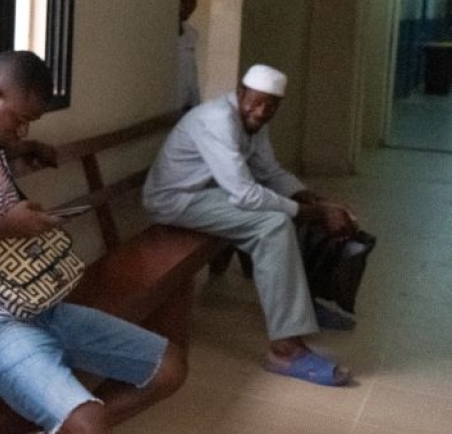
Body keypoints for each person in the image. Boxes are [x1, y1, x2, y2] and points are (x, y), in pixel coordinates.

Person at [0, 51, 186, 434]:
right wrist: (4, 228)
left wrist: (23, 149)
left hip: (38, 304)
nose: (22, 131)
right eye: (20, 120)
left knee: (168, 367)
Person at [143, 64, 360, 387]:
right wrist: (313, 214)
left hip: (209, 193)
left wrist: (319, 202)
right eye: (255, 102)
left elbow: (270, 172)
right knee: (274, 224)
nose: (260, 112)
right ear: (240, 93)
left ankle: (301, 309)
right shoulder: (217, 120)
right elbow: (245, 193)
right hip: (176, 200)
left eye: (270, 106)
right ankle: (286, 351)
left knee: (281, 212)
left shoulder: (255, 124)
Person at [177, 0, 201, 112]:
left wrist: (197, 106)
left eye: (192, 1)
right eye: (183, 0)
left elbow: (192, 74)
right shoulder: (160, 35)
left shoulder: (191, 34)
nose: (188, 5)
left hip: (188, 107)